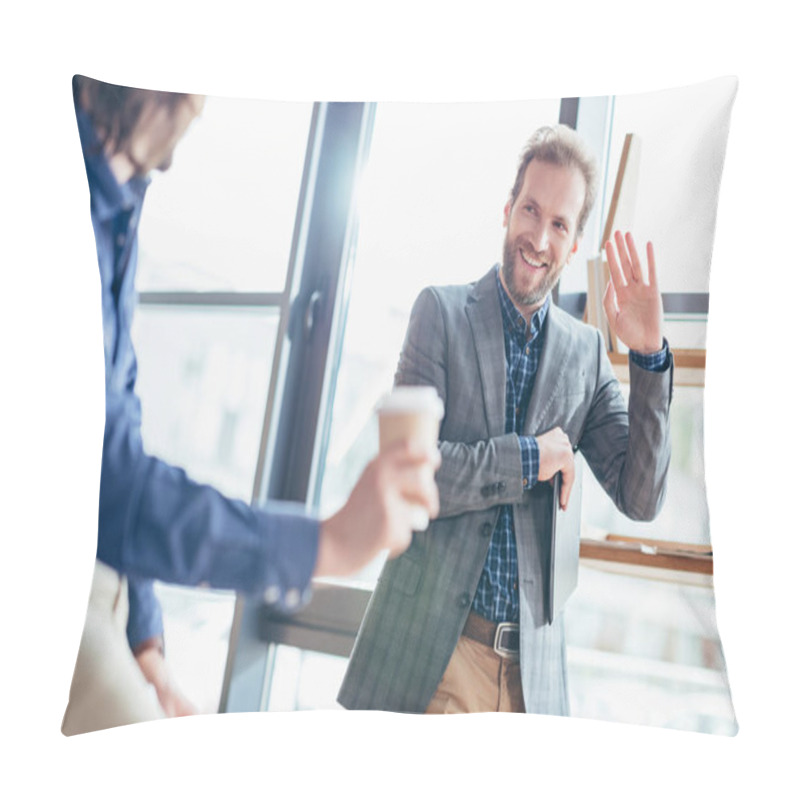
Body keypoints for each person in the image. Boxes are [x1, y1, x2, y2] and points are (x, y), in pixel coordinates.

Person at [62, 75, 439, 735]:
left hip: (104, 577)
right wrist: (323, 544)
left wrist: (148, 647)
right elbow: (109, 485)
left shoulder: (121, 197)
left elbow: (112, 436)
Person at [337, 124, 672, 715]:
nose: (539, 237)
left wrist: (648, 357)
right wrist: (532, 457)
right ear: (507, 209)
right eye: (531, 210)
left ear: (574, 242)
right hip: (437, 657)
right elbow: (415, 476)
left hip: (531, 685)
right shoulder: (439, 314)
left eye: (560, 224)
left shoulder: (587, 355)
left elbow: (641, 497)